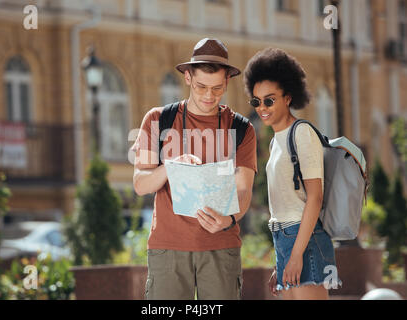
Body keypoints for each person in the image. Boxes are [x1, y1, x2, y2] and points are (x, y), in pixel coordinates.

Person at [132, 38, 257, 300]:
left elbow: (244, 189)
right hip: (168, 249)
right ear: (187, 77)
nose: (209, 96)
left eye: (217, 88)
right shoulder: (157, 119)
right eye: (201, 87)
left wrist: (230, 219)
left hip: (222, 247)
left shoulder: (242, 129)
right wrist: (170, 167)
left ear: (227, 82)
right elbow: (140, 184)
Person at [243, 47, 340, 300]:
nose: (262, 107)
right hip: (284, 238)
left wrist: (297, 255)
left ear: (288, 97)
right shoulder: (276, 141)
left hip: (303, 238)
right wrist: (282, 260)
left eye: (270, 99)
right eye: (257, 101)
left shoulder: (302, 133)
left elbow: (315, 198)